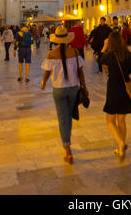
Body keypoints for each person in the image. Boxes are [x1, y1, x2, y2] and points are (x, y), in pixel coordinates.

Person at [40, 25, 88, 164]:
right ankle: (67, 142)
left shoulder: (51, 54)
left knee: (62, 118)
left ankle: (67, 149)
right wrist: (84, 86)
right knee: (69, 115)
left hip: (59, 89)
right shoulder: (74, 52)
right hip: (73, 88)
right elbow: (81, 72)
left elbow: (47, 72)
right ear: (67, 39)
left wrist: (43, 82)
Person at [101, 31, 131, 159]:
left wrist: (104, 47)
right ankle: (120, 147)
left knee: (110, 121)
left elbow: (100, 61)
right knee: (121, 120)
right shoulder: (130, 55)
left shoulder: (108, 56)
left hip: (113, 88)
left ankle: (121, 143)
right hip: (125, 88)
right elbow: (130, 70)